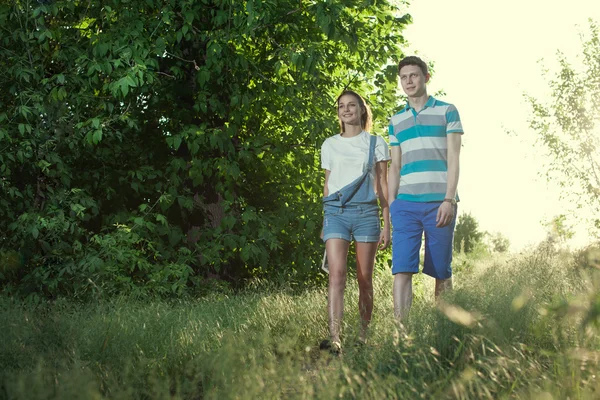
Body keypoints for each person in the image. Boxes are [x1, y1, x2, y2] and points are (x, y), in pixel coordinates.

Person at [387, 56, 464, 321]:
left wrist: (449, 199)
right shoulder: (395, 121)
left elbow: (454, 158)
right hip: (405, 205)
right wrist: (392, 205)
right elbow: (394, 167)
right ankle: (400, 334)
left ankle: (444, 328)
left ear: (426, 77)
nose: (409, 81)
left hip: (439, 202)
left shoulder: (447, 111)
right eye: (404, 77)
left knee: (441, 270)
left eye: (414, 76)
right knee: (402, 269)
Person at [320, 90, 391, 353]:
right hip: (335, 214)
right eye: (341, 106)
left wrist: (387, 224)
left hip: (367, 215)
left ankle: (362, 335)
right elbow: (328, 185)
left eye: (352, 105)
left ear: (363, 110)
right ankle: (335, 338)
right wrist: (324, 221)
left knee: (364, 278)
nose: (346, 109)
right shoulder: (329, 144)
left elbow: (383, 184)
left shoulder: (376, 143)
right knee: (336, 275)